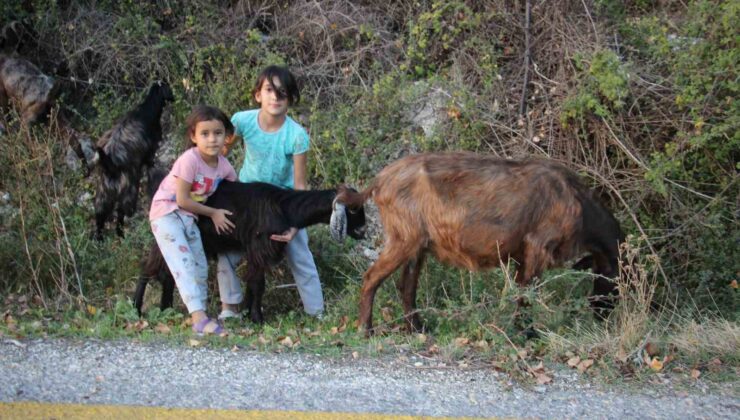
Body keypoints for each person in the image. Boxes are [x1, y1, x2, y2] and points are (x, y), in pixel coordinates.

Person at [219, 65, 324, 319]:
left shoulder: (296, 135)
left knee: (300, 254)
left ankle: (317, 313)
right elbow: (218, 155)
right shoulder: (242, 121)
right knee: (227, 252)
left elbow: (300, 187)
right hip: (247, 200)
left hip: (282, 204)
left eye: (282, 92)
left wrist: (295, 227)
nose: (275, 97)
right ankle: (229, 309)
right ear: (258, 95)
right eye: (269, 90)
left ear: (290, 99)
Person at [149, 105, 241, 335]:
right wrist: (213, 213)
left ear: (227, 137)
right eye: (205, 134)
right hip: (167, 213)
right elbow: (182, 200)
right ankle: (198, 318)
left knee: (200, 265)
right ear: (193, 136)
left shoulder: (224, 166)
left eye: (218, 133)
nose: (212, 139)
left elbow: (238, 192)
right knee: (185, 264)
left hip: (190, 217)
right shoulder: (189, 160)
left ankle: (201, 315)